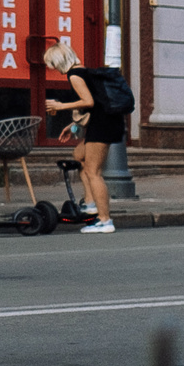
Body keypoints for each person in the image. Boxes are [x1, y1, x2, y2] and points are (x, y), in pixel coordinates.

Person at [43, 43, 125, 234]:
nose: (53, 69)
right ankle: (89, 203)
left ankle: (105, 220)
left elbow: (88, 102)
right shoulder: (83, 71)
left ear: (59, 61)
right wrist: (72, 127)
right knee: (79, 155)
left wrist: (59, 106)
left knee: (93, 172)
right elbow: (91, 107)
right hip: (105, 123)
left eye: (52, 65)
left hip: (102, 126)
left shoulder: (74, 75)